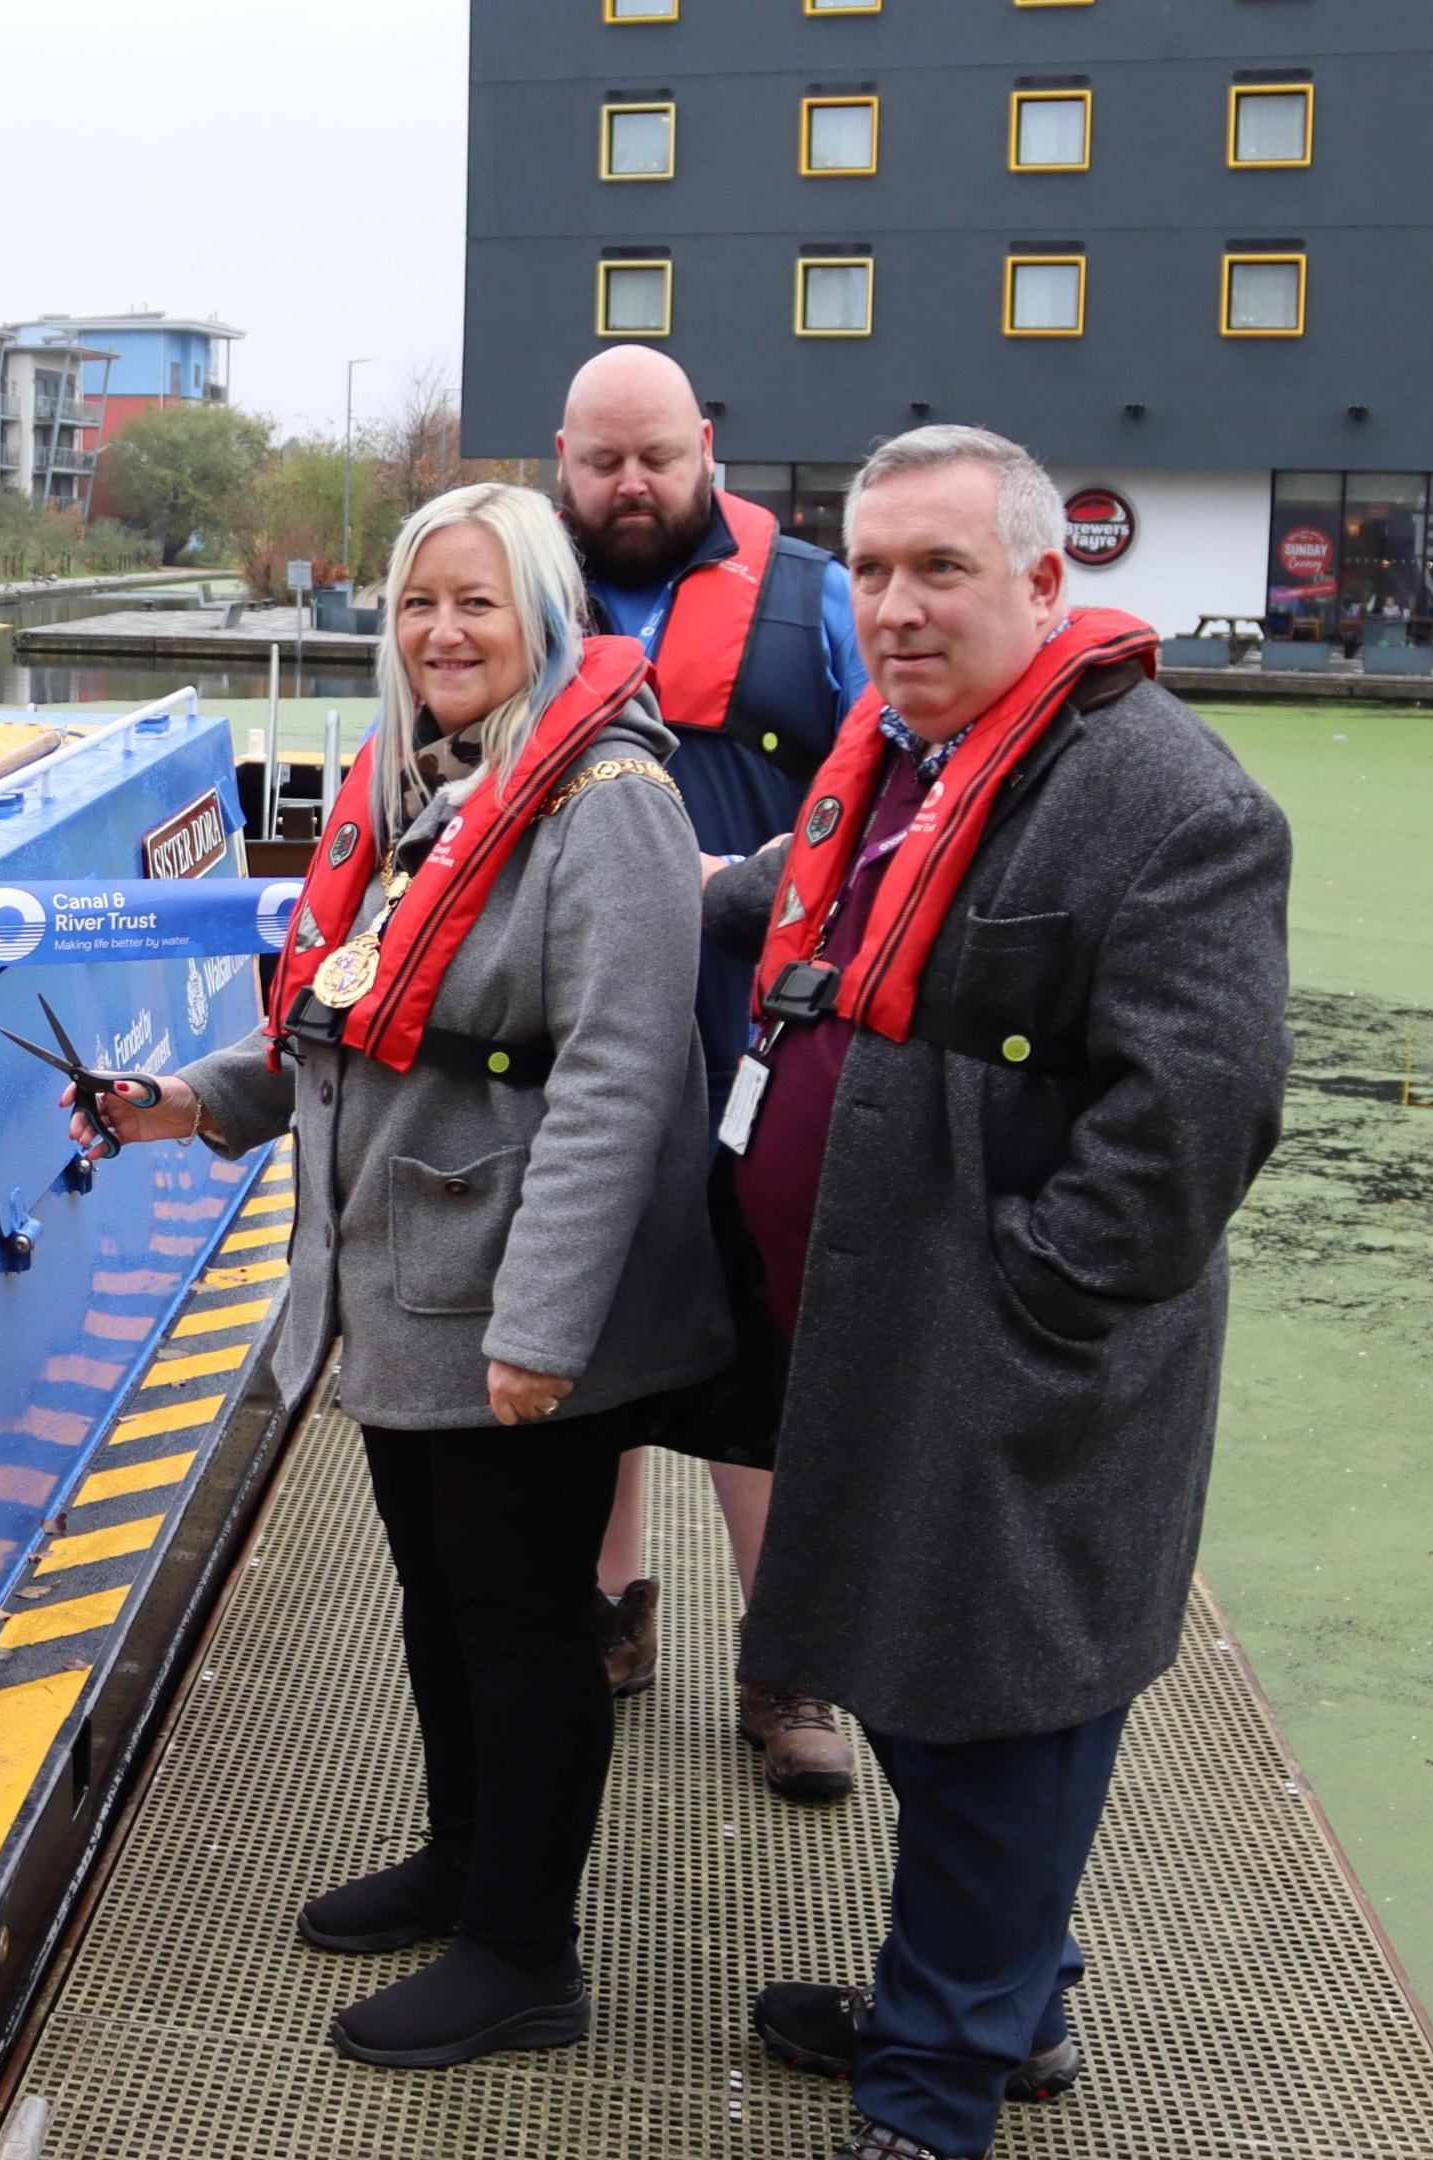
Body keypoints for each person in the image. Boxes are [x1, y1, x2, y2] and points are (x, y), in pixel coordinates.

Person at [81, 483, 731, 2069]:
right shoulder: (420, 789)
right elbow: (347, 1007)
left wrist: (546, 1327)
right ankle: (465, 1858)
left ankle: (525, 1954)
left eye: (479, 604)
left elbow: (621, 1076)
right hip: (399, 1279)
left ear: (546, 622)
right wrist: (195, 1102)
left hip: (510, 1296)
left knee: (523, 1617)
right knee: (439, 1596)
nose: (442, 633)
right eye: (419, 604)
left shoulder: (608, 801)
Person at [701, 427, 1292, 2160]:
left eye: (939, 570)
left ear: (1047, 582)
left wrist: (1024, 1303)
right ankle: (1003, 2004)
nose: (894, 607)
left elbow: (1196, 1124)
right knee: (922, 1693)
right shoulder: (887, 761)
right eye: (870, 572)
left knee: (1000, 1717)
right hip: (863, 1338)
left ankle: (933, 2092)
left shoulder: (1172, 804)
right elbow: (776, 907)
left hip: (1011, 1368)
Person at [555, 345, 874, 1803]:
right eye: (603, 461)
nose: (631, 487)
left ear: (707, 451)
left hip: (762, 1022)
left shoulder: (816, 601)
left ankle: (788, 1653)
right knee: (584, 1302)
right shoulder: (503, 590)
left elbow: (888, 793)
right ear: (561, 458)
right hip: (567, 1019)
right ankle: (611, 1607)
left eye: (656, 460)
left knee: (772, 1336)